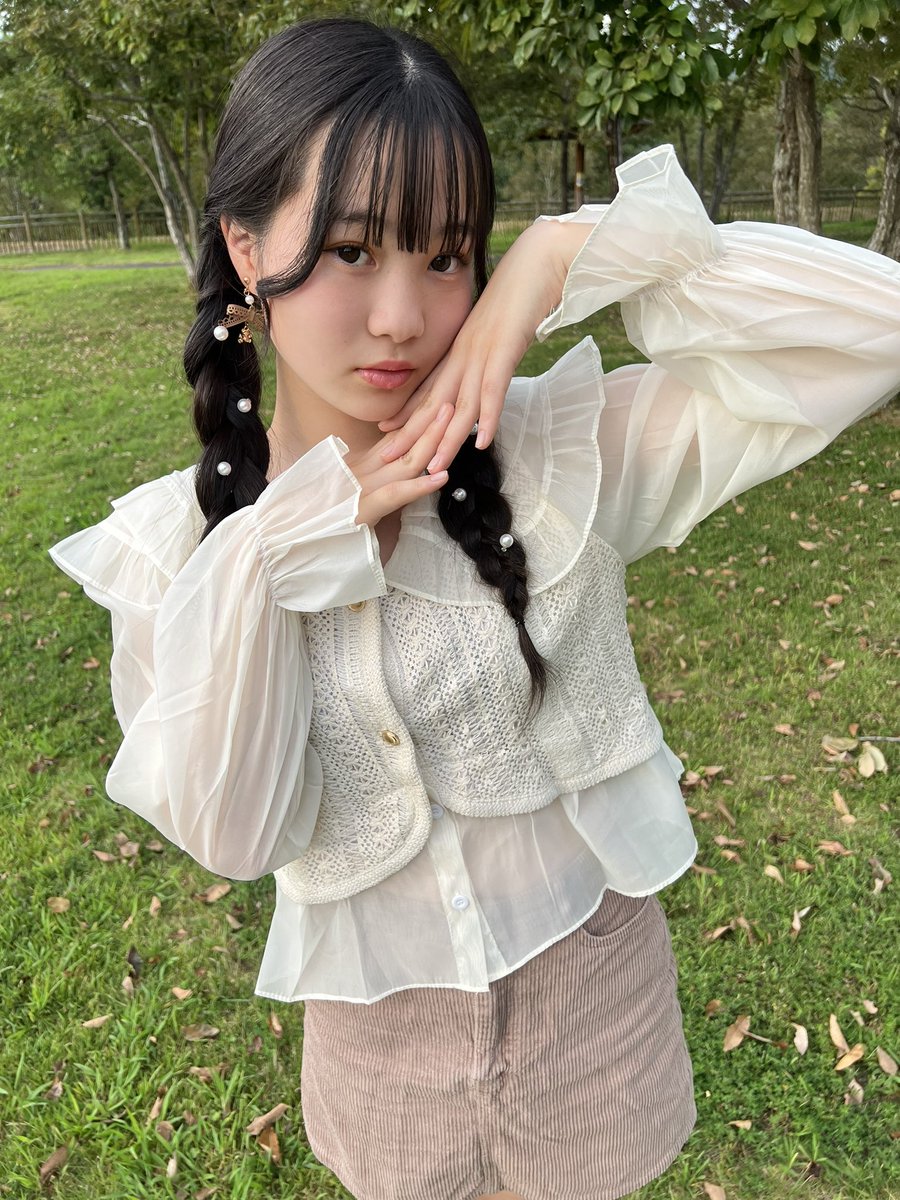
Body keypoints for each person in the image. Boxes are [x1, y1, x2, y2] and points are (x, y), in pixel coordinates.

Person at [49, 16, 900, 1200]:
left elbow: (875, 332)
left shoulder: (560, 455)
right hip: (378, 1056)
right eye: (351, 250)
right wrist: (287, 547)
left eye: (446, 256)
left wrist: (561, 259)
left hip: (593, 1018)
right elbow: (235, 835)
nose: (402, 315)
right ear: (245, 248)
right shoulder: (177, 550)